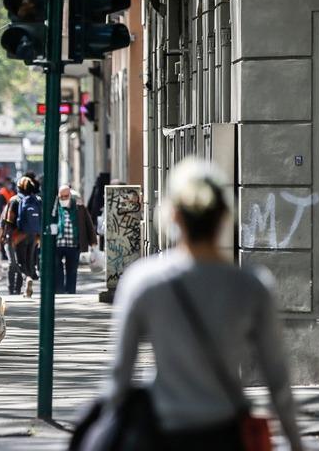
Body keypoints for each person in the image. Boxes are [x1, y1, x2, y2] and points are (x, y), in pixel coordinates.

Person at [106, 158, 302, 450]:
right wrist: (296, 443)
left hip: (163, 434)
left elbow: (119, 376)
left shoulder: (144, 282)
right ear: (224, 216)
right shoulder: (251, 286)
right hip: (226, 435)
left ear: (173, 216)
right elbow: (278, 380)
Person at [0, 176, 40, 297]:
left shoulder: (14, 200)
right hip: (32, 236)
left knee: (16, 263)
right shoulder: (37, 200)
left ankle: (18, 285)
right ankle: (21, 287)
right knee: (28, 261)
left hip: (17, 236)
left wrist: (4, 238)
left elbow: (7, 221)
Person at [52, 185, 96, 294]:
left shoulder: (79, 207)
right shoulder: (54, 208)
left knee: (72, 270)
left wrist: (93, 243)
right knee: (57, 268)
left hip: (74, 244)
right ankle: (60, 290)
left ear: (70, 195)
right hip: (57, 244)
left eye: (66, 196)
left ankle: (70, 291)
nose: (63, 199)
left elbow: (88, 225)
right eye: (61, 196)